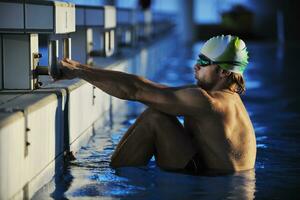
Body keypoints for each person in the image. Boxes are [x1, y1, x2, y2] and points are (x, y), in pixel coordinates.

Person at [59, 35, 256, 175]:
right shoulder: (230, 101)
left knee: (155, 118)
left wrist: (79, 70)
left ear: (223, 72)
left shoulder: (207, 102)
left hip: (208, 183)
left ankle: (110, 171)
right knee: (158, 111)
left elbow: (136, 90)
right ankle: (110, 164)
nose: (196, 65)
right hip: (225, 181)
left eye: (204, 62)